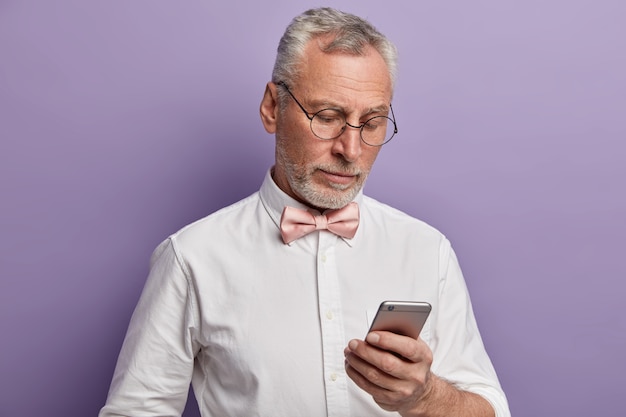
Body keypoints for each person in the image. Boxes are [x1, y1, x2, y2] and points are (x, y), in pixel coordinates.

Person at [100, 7, 510, 417]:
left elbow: (491, 408)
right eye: (327, 117)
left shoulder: (427, 250)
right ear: (272, 107)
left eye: (371, 122)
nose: (350, 150)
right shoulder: (191, 258)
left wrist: (425, 399)